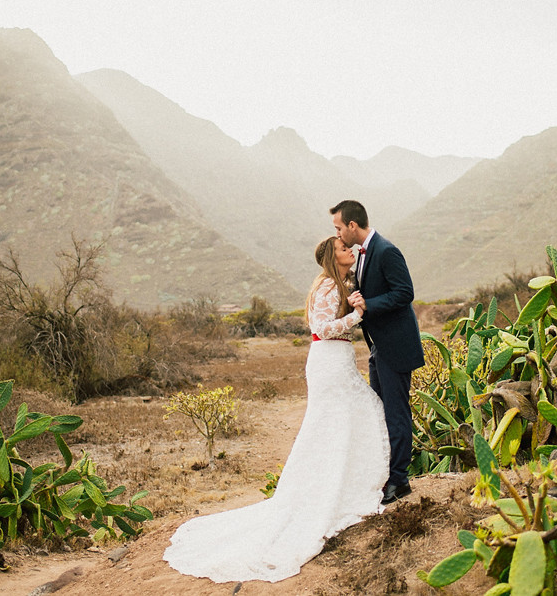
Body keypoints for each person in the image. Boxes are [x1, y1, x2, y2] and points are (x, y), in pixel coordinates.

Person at [163, 237, 389, 583]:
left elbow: (356, 265)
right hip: (329, 360)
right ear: (333, 257)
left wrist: (359, 271)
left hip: (336, 360)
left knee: (342, 420)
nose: (350, 251)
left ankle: (342, 481)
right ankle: (335, 488)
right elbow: (321, 328)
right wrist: (357, 315)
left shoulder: (341, 282)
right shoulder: (328, 285)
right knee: (347, 415)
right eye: (344, 249)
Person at [330, 199, 424, 504]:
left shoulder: (386, 250)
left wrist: (369, 304)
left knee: (396, 413)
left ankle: (399, 481)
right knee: (382, 411)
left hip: (395, 347)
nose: (338, 234)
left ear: (352, 226)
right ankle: (387, 475)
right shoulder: (364, 254)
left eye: (339, 227)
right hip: (378, 347)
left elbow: (405, 292)